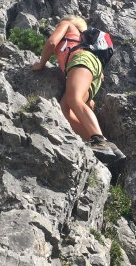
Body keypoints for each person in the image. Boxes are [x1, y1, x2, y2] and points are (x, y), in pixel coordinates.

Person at [31, 16, 124, 160]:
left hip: (81, 61)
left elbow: (51, 43)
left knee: (74, 98)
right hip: (94, 73)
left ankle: (98, 141)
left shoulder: (67, 25)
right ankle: (108, 146)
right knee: (65, 111)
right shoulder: (84, 43)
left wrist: (41, 63)